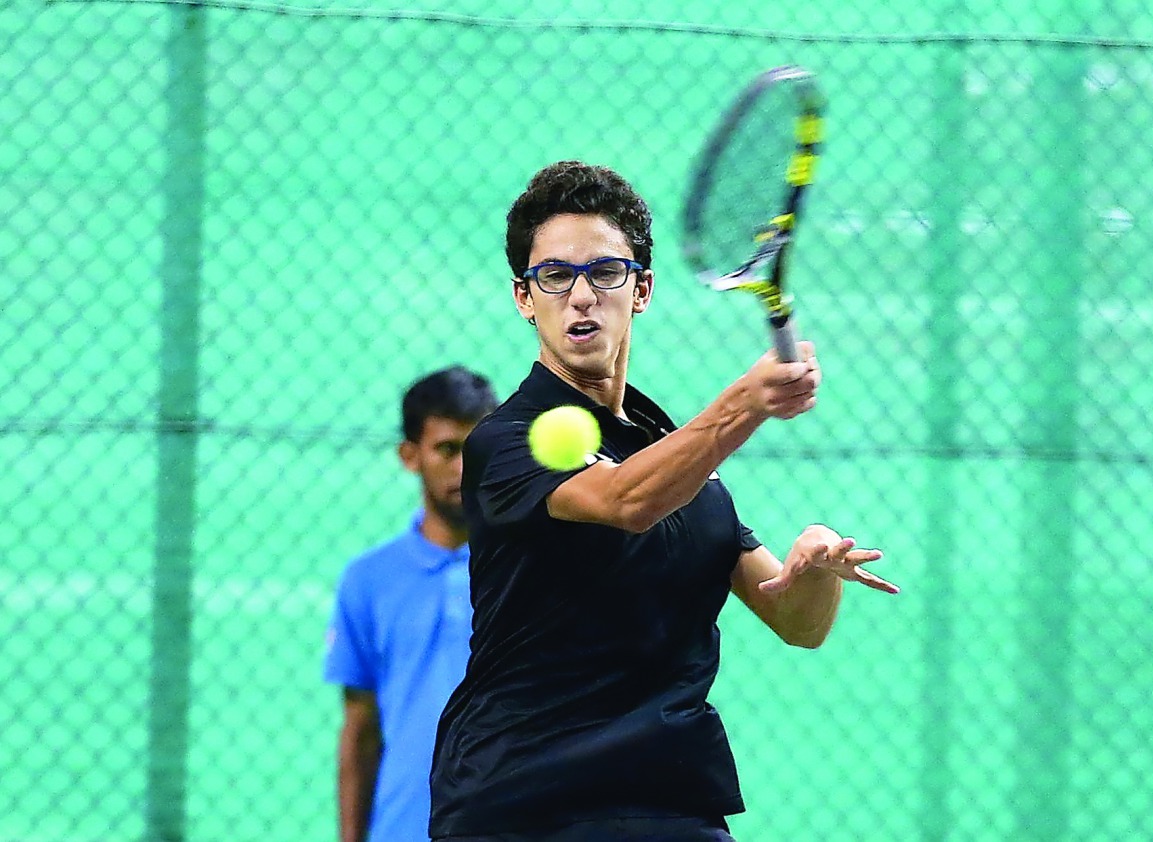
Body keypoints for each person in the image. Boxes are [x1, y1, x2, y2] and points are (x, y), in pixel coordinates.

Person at [428, 161, 900, 842]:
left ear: (641, 288)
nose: (581, 295)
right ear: (524, 299)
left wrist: (816, 571)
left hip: (669, 802)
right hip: (527, 804)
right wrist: (747, 402)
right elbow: (625, 501)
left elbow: (795, 620)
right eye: (554, 276)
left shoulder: (678, 454)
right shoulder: (507, 442)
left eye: (604, 272)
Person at [324, 366, 499, 842]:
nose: (465, 468)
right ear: (410, 456)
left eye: (477, 448)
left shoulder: (533, 571)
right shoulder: (367, 581)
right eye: (447, 449)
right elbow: (360, 730)